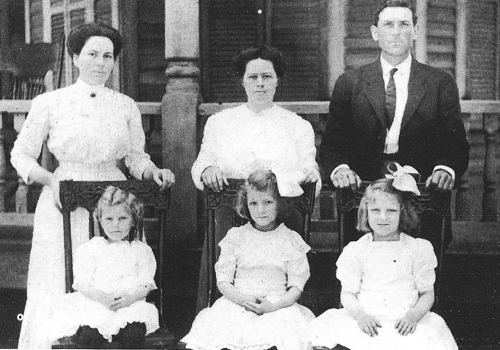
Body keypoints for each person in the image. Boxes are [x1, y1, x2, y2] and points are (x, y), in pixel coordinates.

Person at [10, 22, 174, 349]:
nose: (100, 62)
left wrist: (152, 170)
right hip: (63, 199)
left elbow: (134, 157)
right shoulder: (50, 102)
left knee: (116, 279)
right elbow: (20, 154)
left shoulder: (125, 105)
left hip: (114, 201)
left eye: (108, 56)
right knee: (62, 280)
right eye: (92, 54)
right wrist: (50, 178)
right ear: (75, 58)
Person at [319, 0, 469, 247]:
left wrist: (445, 169)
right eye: (388, 25)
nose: (396, 31)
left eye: (404, 24)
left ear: (416, 31)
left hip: (421, 191)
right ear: (375, 33)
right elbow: (332, 143)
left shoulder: (440, 82)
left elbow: (456, 143)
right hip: (365, 189)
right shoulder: (350, 82)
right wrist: (340, 168)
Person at [309, 176, 458, 350]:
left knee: (427, 336)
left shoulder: (417, 249)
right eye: (375, 210)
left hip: (404, 319)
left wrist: (413, 316)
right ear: (366, 212)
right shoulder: (357, 250)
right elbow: (348, 293)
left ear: (402, 212)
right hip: (368, 319)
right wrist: (360, 316)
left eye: (391, 211)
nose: (383, 217)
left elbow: (427, 294)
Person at [182, 170, 315, 350]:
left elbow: (296, 287)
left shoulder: (290, 240)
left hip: (278, 305)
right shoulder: (236, 237)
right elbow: (223, 281)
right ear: (246, 205)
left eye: (267, 202)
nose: (260, 210)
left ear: (279, 204)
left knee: (285, 334)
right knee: (227, 332)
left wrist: (274, 305)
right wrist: (242, 299)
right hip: (239, 302)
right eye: (254, 203)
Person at [191, 46, 321, 195]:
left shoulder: (299, 126)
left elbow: (310, 169)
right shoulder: (219, 122)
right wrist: (208, 169)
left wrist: (311, 176)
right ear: (243, 81)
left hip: (282, 211)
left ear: (277, 81)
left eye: (266, 76)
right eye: (253, 77)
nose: (260, 83)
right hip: (231, 208)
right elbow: (203, 160)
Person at [45, 186, 159, 348]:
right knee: (89, 337)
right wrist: (101, 298)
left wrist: (130, 299)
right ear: (100, 219)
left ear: (133, 220)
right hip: (97, 304)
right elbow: (82, 284)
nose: (116, 225)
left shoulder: (141, 250)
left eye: (122, 218)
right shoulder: (91, 249)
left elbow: (146, 284)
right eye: (109, 219)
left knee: (133, 336)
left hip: (130, 305)